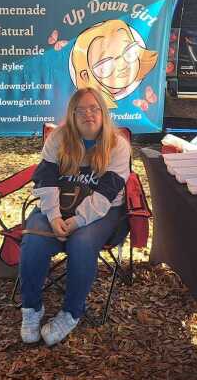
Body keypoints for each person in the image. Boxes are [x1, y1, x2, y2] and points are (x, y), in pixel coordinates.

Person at [19, 87, 131, 346]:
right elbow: (45, 180)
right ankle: (32, 309)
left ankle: (71, 312)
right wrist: (54, 216)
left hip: (102, 211)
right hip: (59, 206)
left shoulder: (117, 145)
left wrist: (78, 221)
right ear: (72, 114)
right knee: (34, 241)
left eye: (94, 109)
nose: (88, 114)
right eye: (81, 110)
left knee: (81, 243)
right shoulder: (58, 138)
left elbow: (106, 194)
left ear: (103, 113)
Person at [69, 19, 158, 108]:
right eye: (106, 64)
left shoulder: (145, 93)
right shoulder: (89, 104)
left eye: (129, 53)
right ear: (85, 75)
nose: (122, 65)